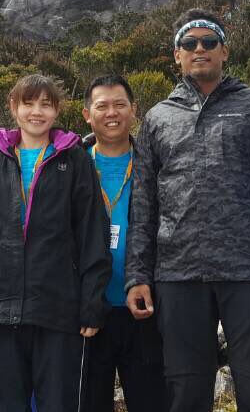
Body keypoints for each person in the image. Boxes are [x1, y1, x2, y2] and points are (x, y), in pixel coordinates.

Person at [125, 8, 250, 412]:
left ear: (225, 51)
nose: (199, 49)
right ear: (177, 55)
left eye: (209, 42)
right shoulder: (157, 117)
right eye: (189, 43)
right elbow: (144, 204)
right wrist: (138, 276)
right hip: (177, 273)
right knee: (185, 391)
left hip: (249, 270)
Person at [0, 74, 111, 412]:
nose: (36, 112)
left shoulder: (75, 161)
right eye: (28, 103)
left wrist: (91, 303)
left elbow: (92, 234)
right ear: (13, 107)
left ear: (57, 110)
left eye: (45, 104)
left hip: (58, 311)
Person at [78, 75, 168, 412]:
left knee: (152, 401)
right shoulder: (72, 165)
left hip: (145, 308)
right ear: (87, 114)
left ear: (134, 110)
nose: (111, 113)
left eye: (120, 105)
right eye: (102, 106)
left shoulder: (155, 162)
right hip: (88, 310)